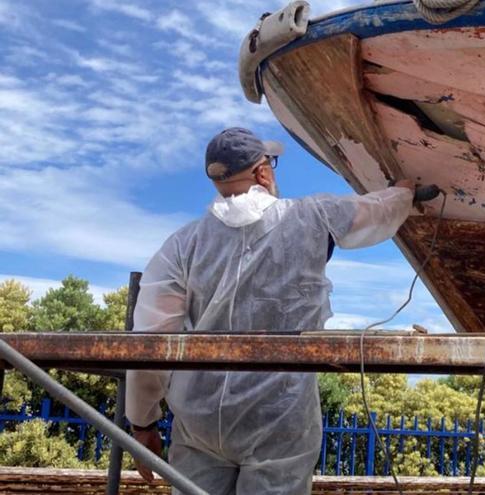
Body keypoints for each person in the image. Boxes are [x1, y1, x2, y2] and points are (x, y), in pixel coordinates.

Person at [126, 127, 415, 494]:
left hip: (199, 421)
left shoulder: (184, 244)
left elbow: (151, 340)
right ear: (263, 171)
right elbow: (376, 213)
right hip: (278, 417)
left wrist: (142, 424)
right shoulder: (311, 217)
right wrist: (405, 190)